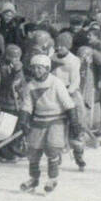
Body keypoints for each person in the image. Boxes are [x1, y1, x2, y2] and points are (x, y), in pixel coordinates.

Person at [18, 54, 80, 193]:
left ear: (47, 69)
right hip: (39, 120)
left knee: (52, 149)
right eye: (34, 68)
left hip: (56, 120)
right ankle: (33, 178)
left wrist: (74, 121)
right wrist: (23, 120)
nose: (37, 71)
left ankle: (52, 178)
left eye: (40, 68)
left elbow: (68, 103)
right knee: (33, 151)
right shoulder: (30, 86)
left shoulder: (55, 83)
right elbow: (27, 105)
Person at [51, 31, 86, 170]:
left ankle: (79, 154)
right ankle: (56, 153)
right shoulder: (52, 57)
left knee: (75, 122)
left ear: (68, 47)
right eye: (57, 45)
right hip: (55, 93)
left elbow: (75, 80)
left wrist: (68, 92)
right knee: (55, 125)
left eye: (62, 46)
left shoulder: (73, 60)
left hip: (70, 93)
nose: (59, 48)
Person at [0, 43, 26, 162]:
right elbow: (9, 83)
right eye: (13, 57)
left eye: (18, 57)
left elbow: (20, 82)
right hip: (6, 101)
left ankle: (14, 146)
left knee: (17, 125)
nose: (16, 60)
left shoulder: (17, 67)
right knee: (6, 126)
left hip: (15, 100)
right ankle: (4, 151)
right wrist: (16, 71)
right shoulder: (4, 68)